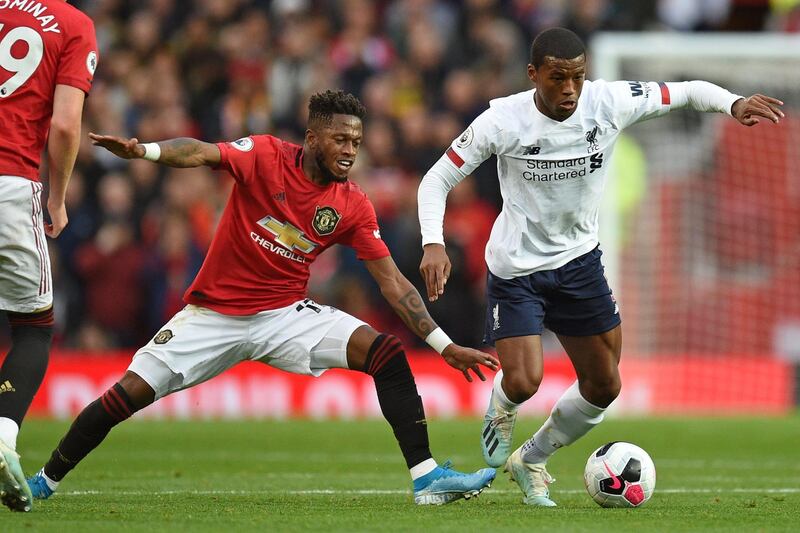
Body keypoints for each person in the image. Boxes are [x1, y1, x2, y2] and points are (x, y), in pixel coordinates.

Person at [25, 90, 499, 506]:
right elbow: (199, 153)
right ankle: (44, 481)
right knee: (126, 395)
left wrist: (443, 345)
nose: (350, 151)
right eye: (340, 140)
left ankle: (426, 478)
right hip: (213, 315)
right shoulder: (266, 155)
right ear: (313, 139)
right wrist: (145, 151)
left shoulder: (352, 203)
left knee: (386, 353)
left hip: (284, 315)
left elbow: (393, 282)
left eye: (356, 141)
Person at [417, 27, 784, 507]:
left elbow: (689, 92)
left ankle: (531, 459)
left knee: (605, 383)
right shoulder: (502, 121)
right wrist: (433, 243)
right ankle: (502, 409)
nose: (569, 89)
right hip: (517, 269)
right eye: (557, 79)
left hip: (579, 265)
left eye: (577, 77)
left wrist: (732, 103)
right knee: (525, 380)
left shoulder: (609, 101)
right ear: (534, 76)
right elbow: (437, 178)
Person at [0, 0, 97, 512]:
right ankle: (1, 434)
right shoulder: (73, 25)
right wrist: (56, 198)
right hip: (10, 184)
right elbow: (63, 126)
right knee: (33, 328)